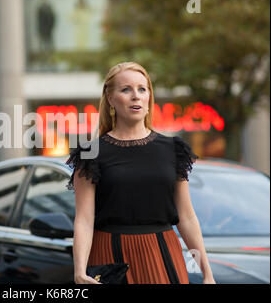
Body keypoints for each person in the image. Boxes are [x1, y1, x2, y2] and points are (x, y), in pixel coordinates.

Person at [67, 62, 216, 284]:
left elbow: (186, 216)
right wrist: (79, 271)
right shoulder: (90, 153)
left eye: (142, 89)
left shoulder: (173, 149)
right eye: (126, 89)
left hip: (162, 253)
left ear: (149, 98)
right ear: (110, 98)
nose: (135, 96)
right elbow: (85, 219)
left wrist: (207, 273)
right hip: (110, 256)